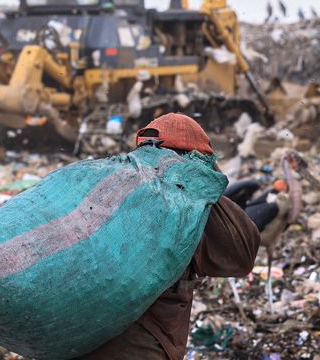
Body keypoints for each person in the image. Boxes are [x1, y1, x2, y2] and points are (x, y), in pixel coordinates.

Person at [77, 113, 260, 360]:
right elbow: (242, 253)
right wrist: (208, 177)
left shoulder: (109, 187)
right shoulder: (185, 205)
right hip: (141, 347)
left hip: (77, 339)